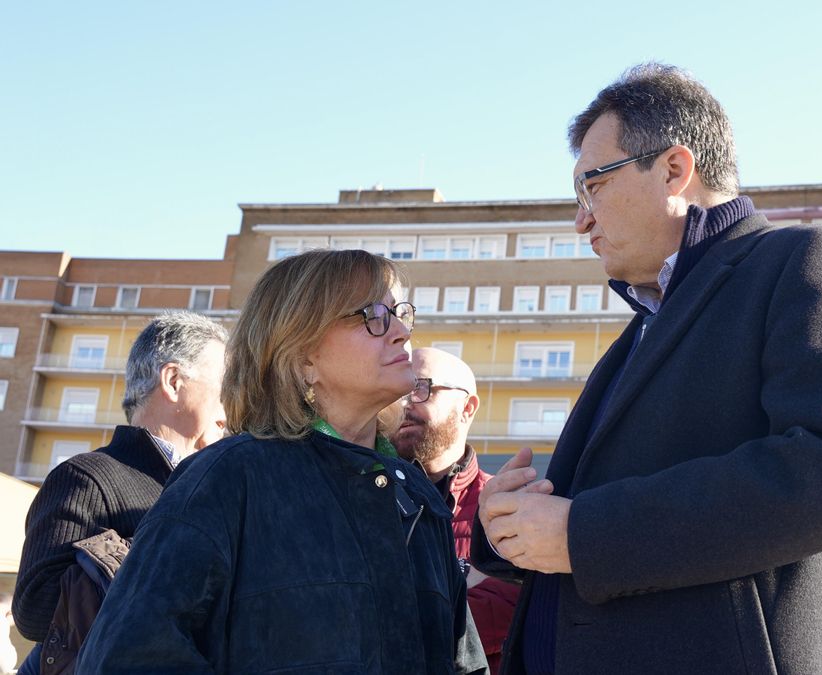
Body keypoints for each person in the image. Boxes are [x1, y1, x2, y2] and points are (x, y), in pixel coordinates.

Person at [474, 63, 822, 674]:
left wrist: (585, 534)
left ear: (674, 170)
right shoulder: (642, 329)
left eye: (590, 187)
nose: (581, 220)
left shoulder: (802, 260)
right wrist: (515, 531)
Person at [76, 249, 487, 674]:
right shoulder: (228, 478)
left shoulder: (418, 497)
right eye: (373, 315)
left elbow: (466, 666)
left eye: (402, 313)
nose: (401, 331)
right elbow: (127, 656)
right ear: (302, 354)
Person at [13, 312, 228, 673]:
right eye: (226, 383)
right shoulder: (85, 476)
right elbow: (36, 611)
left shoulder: (212, 484)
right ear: (173, 381)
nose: (233, 401)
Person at [388, 347, 520, 673]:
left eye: (420, 388)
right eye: (397, 392)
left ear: (467, 407)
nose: (404, 404)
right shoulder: (366, 495)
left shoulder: (505, 505)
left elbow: (512, 610)